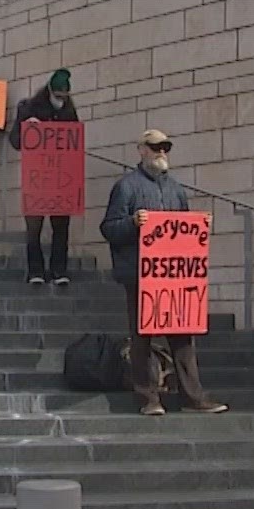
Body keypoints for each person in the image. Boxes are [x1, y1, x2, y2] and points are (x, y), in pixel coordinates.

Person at [100, 130, 228, 417]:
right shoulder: (126, 187)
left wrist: (199, 226)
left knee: (182, 336)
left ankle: (192, 396)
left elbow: (183, 232)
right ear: (141, 150)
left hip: (172, 278)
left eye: (165, 147)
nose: (161, 152)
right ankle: (147, 396)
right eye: (156, 147)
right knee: (142, 335)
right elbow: (109, 228)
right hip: (139, 274)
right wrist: (133, 222)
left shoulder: (176, 190)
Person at [8, 67, 80, 285]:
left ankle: (59, 270)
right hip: (37, 179)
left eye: (63, 96)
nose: (60, 99)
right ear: (49, 91)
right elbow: (15, 142)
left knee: (61, 226)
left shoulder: (69, 112)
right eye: (57, 95)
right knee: (34, 228)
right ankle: (35, 271)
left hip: (61, 179)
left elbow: (74, 140)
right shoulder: (29, 107)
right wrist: (27, 128)